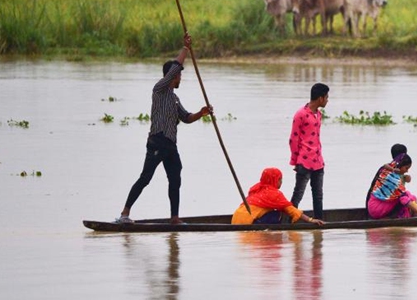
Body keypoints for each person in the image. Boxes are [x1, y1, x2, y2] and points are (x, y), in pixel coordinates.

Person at [117, 33, 212, 225]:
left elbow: (185, 118)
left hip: (170, 145)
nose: (180, 78)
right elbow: (175, 66)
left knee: (175, 177)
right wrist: (185, 48)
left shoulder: (174, 99)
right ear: (172, 76)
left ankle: (174, 218)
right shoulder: (159, 90)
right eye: (179, 75)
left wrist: (201, 113)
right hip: (157, 141)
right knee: (145, 178)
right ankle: (124, 214)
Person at [289, 83, 329, 220]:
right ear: (320, 98)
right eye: (326, 97)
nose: (328, 100)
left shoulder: (318, 115)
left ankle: (319, 222)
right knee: (298, 194)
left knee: (318, 195)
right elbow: (293, 139)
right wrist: (295, 161)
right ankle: (287, 223)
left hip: (318, 161)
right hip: (304, 161)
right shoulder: (301, 114)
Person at [232, 167, 324, 226]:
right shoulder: (274, 194)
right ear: (275, 180)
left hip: (235, 219)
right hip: (248, 223)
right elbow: (291, 210)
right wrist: (311, 220)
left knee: (274, 210)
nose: (281, 182)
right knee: (278, 214)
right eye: (280, 179)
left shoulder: (256, 188)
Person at [367, 153, 417, 222]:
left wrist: (404, 178)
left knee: (408, 195)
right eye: (406, 168)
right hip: (377, 209)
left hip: (372, 205)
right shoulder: (393, 180)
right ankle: (401, 217)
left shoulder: (387, 170)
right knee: (408, 198)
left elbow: (385, 166)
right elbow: (403, 199)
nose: (407, 171)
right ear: (400, 166)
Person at [365, 143, 409, 208]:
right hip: (377, 203)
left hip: (372, 201)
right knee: (405, 198)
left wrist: (405, 178)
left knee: (405, 197)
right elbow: (398, 192)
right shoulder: (390, 170)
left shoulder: (392, 168)